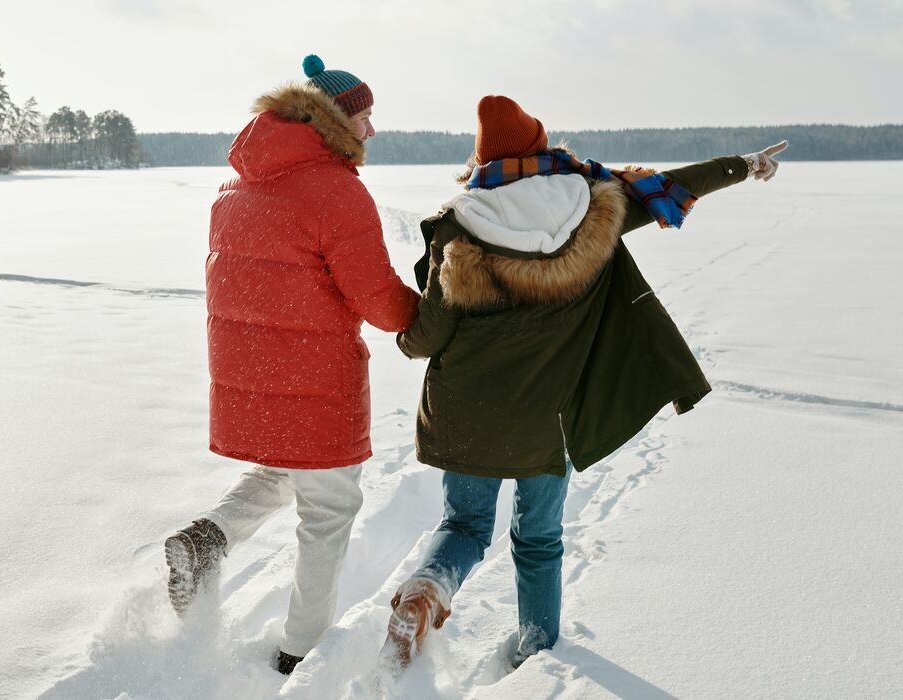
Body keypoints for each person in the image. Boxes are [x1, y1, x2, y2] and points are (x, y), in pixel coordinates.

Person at [380, 95, 787, 671]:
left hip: (468, 407)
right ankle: (536, 651)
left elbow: (428, 336)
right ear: (543, 150)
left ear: (482, 162)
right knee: (539, 539)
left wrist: (402, 336)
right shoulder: (598, 204)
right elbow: (672, 182)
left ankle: (425, 594)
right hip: (552, 416)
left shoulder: (457, 225)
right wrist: (742, 165)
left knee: (466, 525)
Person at [164, 54, 420, 676]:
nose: (372, 130)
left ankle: (208, 539)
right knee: (327, 510)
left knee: (282, 470)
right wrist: (432, 317)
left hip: (252, 372)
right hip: (315, 374)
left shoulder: (238, 186)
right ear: (334, 121)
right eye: (364, 116)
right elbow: (379, 300)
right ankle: (300, 651)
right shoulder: (336, 189)